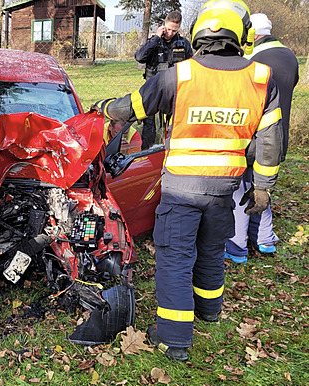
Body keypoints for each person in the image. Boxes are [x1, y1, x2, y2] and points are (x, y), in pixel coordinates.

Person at [91, 0, 283, 361]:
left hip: (181, 189)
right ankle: (209, 311)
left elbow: (130, 107)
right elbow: (271, 141)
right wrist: (262, 189)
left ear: (199, 33)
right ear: (240, 35)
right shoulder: (260, 78)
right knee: (211, 249)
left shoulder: (180, 75)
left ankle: (174, 337)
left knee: (175, 258)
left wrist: (103, 108)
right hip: (223, 189)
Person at [225, 13, 299, 263]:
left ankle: (237, 246)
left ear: (252, 35)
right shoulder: (290, 56)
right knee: (263, 188)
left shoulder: (254, 60)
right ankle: (265, 240)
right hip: (279, 136)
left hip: (254, 139)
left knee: (242, 191)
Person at [134, 11, 193, 150]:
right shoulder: (153, 41)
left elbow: (192, 66)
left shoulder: (183, 44)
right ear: (164, 25)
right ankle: (147, 153)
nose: (170, 33)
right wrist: (155, 38)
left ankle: (172, 151)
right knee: (149, 126)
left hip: (175, 91)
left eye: (174, 30)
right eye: (168, 29)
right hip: (153, 91)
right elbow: (139, 57)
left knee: (176, 125)